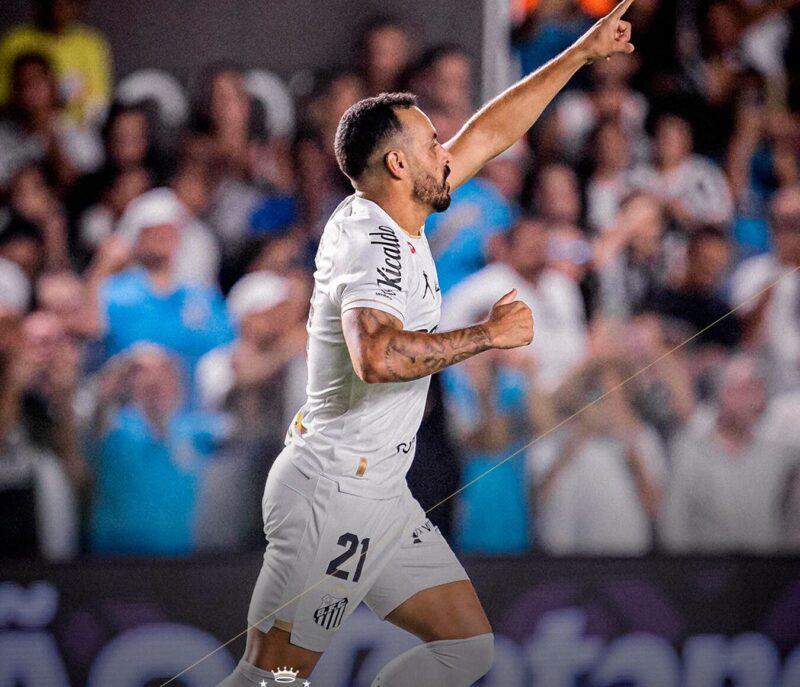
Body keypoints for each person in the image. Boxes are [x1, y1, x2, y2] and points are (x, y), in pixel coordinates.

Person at [219, 1, 636, 685]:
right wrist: (487, 335)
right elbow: (376, 357)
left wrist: (581, 55)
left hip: (380, 489)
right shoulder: (370, 240)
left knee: (465, 647)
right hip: (335, 492)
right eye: (433, 143)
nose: (449, 151)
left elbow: (490, 132)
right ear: (397, 162)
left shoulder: (404, 214)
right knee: (274, 680)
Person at [661, 355, 797, 552]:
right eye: (740, 390)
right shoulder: (690, 452)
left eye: (755, 389)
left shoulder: (778, 454)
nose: (748, 400)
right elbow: (674, 522)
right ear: (719, 395)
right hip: (708, 565)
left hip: (766, 565)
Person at [0, 0, 112, 126]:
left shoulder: (90, 44)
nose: (59, 9)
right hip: (22, 129)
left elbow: (99, 104)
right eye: (55, 3)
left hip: (78, 130)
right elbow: (4, 100)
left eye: (67, 3)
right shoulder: (15, 42)